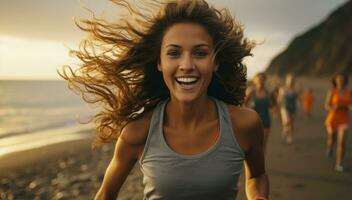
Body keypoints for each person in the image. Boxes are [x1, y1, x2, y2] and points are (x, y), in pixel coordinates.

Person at [59, 0, 269, 199]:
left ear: (215, 62)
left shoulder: (244, 124)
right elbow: (104, 195)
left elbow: (256, 176)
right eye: (174, 53)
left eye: (200, 53)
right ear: (159, 62)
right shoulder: (138, 133)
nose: (187, 64)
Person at [324, 73, 352, 172]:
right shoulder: (332, 91)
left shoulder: (349, 92)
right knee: (331, 139)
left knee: (342, 142)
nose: (341, 81)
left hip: (344, 119)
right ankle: (330, 147)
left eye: (343, 80)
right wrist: (333, 107)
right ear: (336, 81)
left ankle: (339, 163)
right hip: (333, 118)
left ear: (346, 81)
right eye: (339, 80)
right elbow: (326, 106)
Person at [245, 72, 274, 153]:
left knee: (263, 144)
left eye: (262, 79)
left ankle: (261, 163)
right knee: (252, 144)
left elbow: (273, 104)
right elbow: (244, 104)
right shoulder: (251, 92)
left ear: (265, 80)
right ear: (255, 81)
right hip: (253, 122)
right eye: (258, 79)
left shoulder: (269, 93)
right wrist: (247, 113)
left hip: (265, 121)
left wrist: (272, 107)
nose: (260, 81)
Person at [277, 73, 299, 144]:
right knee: (287, 121)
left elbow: (298, 98)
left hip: (293, 107)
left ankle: (289, 136)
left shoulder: (295, 90)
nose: (291, 81)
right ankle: (285, 129)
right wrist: (278, 107)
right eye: (289, 80)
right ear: (286, 80)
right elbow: (279, 99)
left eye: (292, 80)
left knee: (291, 124)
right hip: (284, 107)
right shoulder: (282, 89)